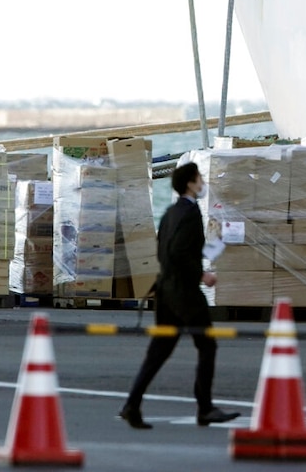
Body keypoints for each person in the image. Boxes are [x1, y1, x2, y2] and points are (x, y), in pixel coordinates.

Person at [119, 162, 240, 429]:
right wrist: (202, 275)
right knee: (207, 346)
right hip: (184, 292)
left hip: (165, 290)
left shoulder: (170, 213)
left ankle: (132, 405)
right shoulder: (190, 213)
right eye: (199, 178)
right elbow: (180, 254)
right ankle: (205, 408)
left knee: (159, 350)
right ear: (190, 183)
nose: (203, 183)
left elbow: (164, 250)